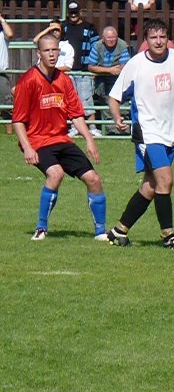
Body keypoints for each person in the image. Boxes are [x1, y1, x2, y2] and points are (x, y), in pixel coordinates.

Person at [106, 19, 174, 249]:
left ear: (168, 39)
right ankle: (169, 237)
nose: (158, 41)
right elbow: (114, 97)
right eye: (153, 37)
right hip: (147, 132)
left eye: (162, 37)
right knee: (165, 179)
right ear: (145, 40)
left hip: (170, 133)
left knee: (151, 186)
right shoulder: (136, 65)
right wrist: (117, 117)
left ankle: (119, 231)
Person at [11, 34, 107, 242]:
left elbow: (76, 115)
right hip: (38, 141)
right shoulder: (28, 80)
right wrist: (27, 148)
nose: (52, 54)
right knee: (56, 174)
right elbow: (18, 121)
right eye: (47, 51)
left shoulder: (64, 80)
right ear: (39, 54)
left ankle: (101, 232)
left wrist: (89, 139)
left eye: (55, 50)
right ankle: (41, 227)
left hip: (61, 140)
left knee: (94, 179)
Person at [62, 1, 101, 137]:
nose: (73, 15)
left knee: (86, 99)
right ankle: (74, 127)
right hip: (68, 69)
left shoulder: (89, 28)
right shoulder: (64, 27)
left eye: (75, 12)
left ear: (80, 13)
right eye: (71, 13)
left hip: (84, 70)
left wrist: (94, 68)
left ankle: (92, 127)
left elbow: (96, 47)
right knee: (71, 100)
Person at [88, 26, 131, 134]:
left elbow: (124, 65)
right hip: (103, 80)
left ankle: (124, 131)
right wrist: (109, 70)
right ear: (103, 38)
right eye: (108, 38)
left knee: (123, 107)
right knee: (106, 108)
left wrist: (114, 70)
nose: (111, 40)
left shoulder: (122, 45)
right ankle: (110, 132)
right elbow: (91, 66)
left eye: (114, 37)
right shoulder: (96, 46)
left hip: (119, 79)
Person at [0, 10, 14, 135]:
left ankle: (9, 133)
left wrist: (1, 19)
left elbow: (10, 34)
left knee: (6, 104)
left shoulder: (3, 33)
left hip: (1, 73)